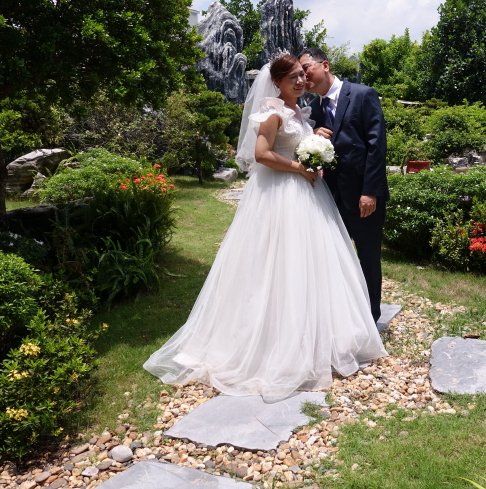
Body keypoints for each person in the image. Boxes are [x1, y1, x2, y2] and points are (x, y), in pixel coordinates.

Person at [143, 53, 386, 403]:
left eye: (302, 75)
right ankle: (273, 341)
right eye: (293, 78)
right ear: (276, 83)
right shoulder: (272, 110)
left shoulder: (301, 110)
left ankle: (318, 332)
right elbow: (261, 154)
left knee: (308, 265)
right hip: (281, 195)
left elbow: (307, 143)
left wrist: (314, 138)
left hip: (307, 196)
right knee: (277, 264)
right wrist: (299, 167)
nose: (301, 81)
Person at [298, 48, 389, 324]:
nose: (303, 76)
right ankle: (341, 316)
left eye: (306, 68)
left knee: (368, 257)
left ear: (324, 65)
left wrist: (370, 192)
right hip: (329, 198)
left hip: (363, 196)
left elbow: (376, 145)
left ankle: (371, 317)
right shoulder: (313, 109)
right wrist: (312, 133)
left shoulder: (362, 95)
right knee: (332, 257)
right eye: (299, 72)